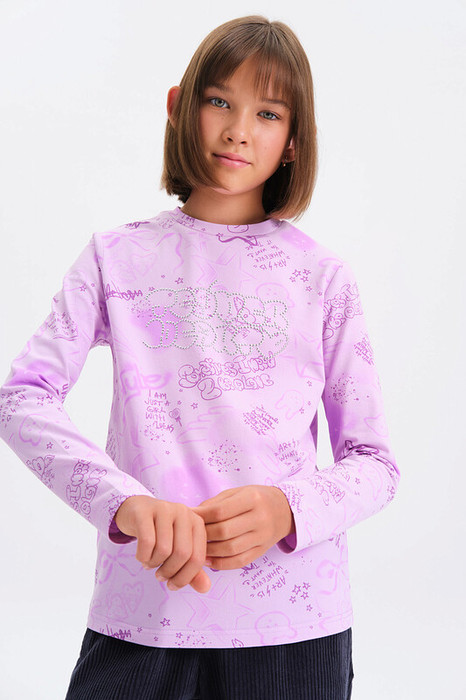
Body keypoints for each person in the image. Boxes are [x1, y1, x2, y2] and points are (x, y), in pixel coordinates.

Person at [0, 14, 400, 700]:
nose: (239, 129)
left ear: (294, 142)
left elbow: (375, 464)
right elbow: (23, 398)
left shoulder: (323, 279)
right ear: (178, 106)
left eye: (268, 113)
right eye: (220, 101)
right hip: (144, 615)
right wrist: (123, 502)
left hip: (296, 630)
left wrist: (287, 509)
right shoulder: (115, 257)